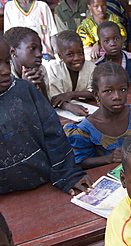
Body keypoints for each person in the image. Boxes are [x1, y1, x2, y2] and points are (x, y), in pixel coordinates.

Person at [0, 36, 93, 195]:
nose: (6, 70)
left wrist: (67, 174)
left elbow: (53, 134)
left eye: (7, 62)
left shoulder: (23, 90)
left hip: (47, 183)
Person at [64, 62, 131, 169]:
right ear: (96, 94)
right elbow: (81, 162)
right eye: (108, 91)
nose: (117, 96)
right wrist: (109, 158)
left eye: (122, 89)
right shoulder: (86, 130)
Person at [45, 30, 96, 116]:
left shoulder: (91, 67)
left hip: (90, 110)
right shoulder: (54, 68)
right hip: (62, 115)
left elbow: (96, 92)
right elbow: (54, 97)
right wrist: (68, 106)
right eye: (70, 54)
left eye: (80, 53)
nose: (76, 58)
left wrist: (71, 94)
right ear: (60, 56)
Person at [4, 27, 49, 100]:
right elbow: (10, 108)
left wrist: (43, 88)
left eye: (40, 50)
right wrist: (25, 87)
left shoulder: (41, 69)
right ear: (13, 51)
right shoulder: (5, 74)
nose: (39, 54)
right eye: (32, 48)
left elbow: (47, 109)